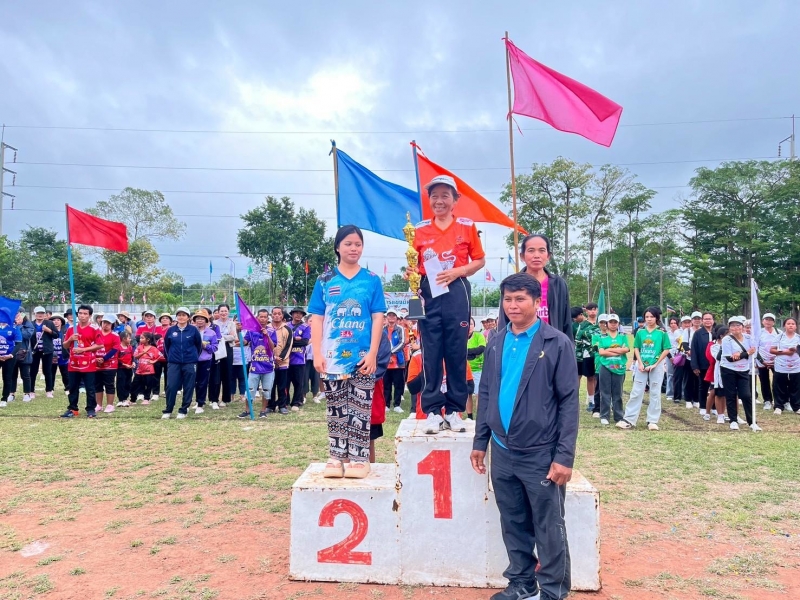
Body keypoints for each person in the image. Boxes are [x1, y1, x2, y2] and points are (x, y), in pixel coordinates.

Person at [471, 273, 578, 600]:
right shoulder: (496, 341)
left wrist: (564, 457)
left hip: (540, 453)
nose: (513, 305)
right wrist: (480, 441)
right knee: (513, 521)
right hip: (502, 450)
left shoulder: (556, 343)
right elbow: (486, 392)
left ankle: (553, 591)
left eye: (520, 299)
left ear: (536, 302)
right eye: (508, 299)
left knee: (548, 525)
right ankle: (521, 582)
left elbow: (569, 402)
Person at [309, 225, 386, 479]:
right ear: (337, 247)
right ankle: (337, 456)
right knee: (336, 409)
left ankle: (359, 458)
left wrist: (373, 352)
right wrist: (317, 353)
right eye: (348, 244)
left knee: (360, 409)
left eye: (358, 244)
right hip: (332, 358)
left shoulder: (372, 280)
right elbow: (317, 318)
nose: (354, 249)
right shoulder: (325, 280)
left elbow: (378, 317)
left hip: (363, 358)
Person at [412, 175, 486, 435]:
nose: (439, 200)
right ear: (429, 200)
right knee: (430, 351)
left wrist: (458, 272)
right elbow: (414, 263)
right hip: (428, 290)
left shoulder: (467, 226)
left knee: (456, 351)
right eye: (434, 196)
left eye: (445, 195)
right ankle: (432, 411)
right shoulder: (419, 229)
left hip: (457, 289)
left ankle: (454, 411)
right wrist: (411, 273)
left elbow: (480, 260)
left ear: (455, 200)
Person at [617, 307, 671, 431]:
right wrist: (640, 363)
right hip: (641, 366)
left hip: (656, 366)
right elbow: (636, 347)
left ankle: (652, 420)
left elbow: (666, 349)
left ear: (656, 318)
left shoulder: (662, 332)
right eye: (647, 317)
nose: (649, 319)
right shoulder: (640, 332)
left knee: (655, 393)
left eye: (651, 317)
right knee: (636, 392)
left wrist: (656, 364)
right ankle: (629, 419)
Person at [61, 304, 104, 418]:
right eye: (80, 313)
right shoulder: (71, 329)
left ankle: (91, 409)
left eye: (85, 314)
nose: (82, 316)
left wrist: (83, 349)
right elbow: (65, 345)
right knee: (73, 387)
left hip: (88, 363)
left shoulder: (94, 329)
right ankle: (72, 409)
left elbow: (100, 344)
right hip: (73, 363)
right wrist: (70, 339)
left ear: (89, 315)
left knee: (90, 387)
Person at [162, 307, 202, 419]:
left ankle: (183, 410)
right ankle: (168, 410)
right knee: (171, 386)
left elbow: (198, 346)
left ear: (188, 317)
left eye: (184, 315)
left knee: (188, 386)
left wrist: (193, 358)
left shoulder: (193, 330)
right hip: (174, 363)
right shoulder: (171, 330)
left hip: (190, 363)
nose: (181, 317)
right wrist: (171, 358)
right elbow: (166, 346)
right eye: (179, 315)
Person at [721, 316, 759, 431]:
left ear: (742, 327)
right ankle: (733, 420)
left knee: (746, 395)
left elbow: (753, 351)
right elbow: (730, 358)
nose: (735, 327)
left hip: (743, 370)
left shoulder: (748, 338)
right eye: (732, 325)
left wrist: (740, 354)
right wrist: (746, 353)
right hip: (728, 370)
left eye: (738, 325)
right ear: (729, 328)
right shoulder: (726, 340)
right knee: (731, 395)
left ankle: (752, 422)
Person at [242, 308, 277, 419]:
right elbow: (244, 342)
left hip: (268, 367)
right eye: (261, 316)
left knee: (266, 390)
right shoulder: (251, 331)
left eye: (265, 317)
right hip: (255, 367)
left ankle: (263, 411)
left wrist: (267, 336)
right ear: (257, 318)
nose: (262, 319)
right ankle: (247, 410)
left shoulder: (272, 331)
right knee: (250, 389)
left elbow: (273, 347)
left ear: (268, 318)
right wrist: (238, 332)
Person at [597, 314, 629, 426]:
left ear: (618, 324)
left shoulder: (622, 336)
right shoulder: (602, 337)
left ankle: (618, 416)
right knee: (605, 392)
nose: (613, 324)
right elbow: (601, 352)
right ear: (607, 324)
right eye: (611, 322)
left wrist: (609, 350)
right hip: (605, 366)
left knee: (618, 393)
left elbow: (626, 349)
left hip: (619, 367)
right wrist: (617, 350)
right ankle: (604, 415)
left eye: (615, 322)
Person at [191, 309, 218, 414]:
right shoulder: (192, 331)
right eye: (197, 318)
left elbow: (214, 348)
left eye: (202, 319)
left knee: (203, 382)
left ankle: (200, 404)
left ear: (206, 320)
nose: (200, 321)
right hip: (192, 360)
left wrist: (205, 346)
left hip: (205, 360)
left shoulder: (211, 333)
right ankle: (196, 401)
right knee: (194, 382)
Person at [771, 317, 800, 415]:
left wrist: (795, 350)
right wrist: (786, 352)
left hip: (796, 366)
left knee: (795, 387)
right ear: (784, 326)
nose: (791, 325)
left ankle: (796, 407)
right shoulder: (779, 337)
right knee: (779, 386)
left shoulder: (798, 338)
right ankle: (778, 406)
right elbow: (772, 350)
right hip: (781, 365)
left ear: (796, 326)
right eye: (788, 323)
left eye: (793, 324)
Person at [575, 303, 599, 414]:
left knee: (599, 378)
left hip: (601, 354)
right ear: (586, 311)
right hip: (588, 354)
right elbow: (578, 341)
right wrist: (578, 357)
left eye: (594, 309)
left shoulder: (602, 323)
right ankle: (591, 401)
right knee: (590, 377)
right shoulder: (583, 325)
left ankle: (602, 400)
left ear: (597, 310)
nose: (592, 311)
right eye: (590, 310)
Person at [95, 314, 122, 413]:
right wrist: (95, 358)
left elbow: (115, 349)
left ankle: (110, 405)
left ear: (112, 325)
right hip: (96, 363)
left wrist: (104, 358)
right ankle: (98, 405)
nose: (105, 325)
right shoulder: (96, 333)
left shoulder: (115, 335)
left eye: (108, 323)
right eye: (104, 322)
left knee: (109, 384)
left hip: (110, 364)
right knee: (97, 384)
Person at [268, 306, 293, 414]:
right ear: (271, 315)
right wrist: (272, 358)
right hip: (269, 362)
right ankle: (270, 405)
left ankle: (282, 405)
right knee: (270, 385)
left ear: (282, 315)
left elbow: (289, 345)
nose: (277, 315)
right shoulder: (267, 328)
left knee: (282, 385)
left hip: (283, 362)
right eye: (275, 313)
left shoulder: (287, 328)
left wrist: (281, 358)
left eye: (279, 313)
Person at [30, 306, 57, 399]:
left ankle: (49, 390)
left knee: (47, 371)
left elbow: (56, 335)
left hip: (47, 350)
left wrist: (49, 330)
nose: (40, 315)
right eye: (38, 313)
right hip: (35, 351)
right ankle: (31, 391)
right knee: (33, 371)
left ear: (45, 314)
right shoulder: (31, 324)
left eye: (42, 313)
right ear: (34, 314)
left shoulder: (49, 323)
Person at [212, 303, 236, 407]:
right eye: (221, 311)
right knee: (216, 374)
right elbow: (212, 336)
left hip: (228, 349)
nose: (223, 313)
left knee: (227, 374)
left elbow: (233, 337)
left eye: (225, 311)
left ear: (228, 312)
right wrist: (226, 336)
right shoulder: (214, 323)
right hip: (216, 349)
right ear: (218, 312)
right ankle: (214, 398)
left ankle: (225, 399)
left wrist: (220, 337)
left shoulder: (232, 323)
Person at [383, 309, 407, 413]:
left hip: (398, 361)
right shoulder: (382, 329)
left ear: (396, 318)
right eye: (389, 315)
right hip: (385, 361)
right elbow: (380, 343)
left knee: (398, 384)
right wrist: (386, 355)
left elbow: (402, 343)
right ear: (386, 317)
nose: (391, 317)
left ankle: (397, 404)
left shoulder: (400, 329)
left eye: (393, 315)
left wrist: (391, 352)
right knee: (386, 384)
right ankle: (386, 404)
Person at [287, 307, 311, 410]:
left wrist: (290, 342)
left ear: (302, 315)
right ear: (292, 314)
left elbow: (304, 342)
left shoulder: (305, 326)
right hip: (286, 359)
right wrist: (294, 339)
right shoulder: (286, 326)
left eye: (300, 313)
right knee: (285, 383)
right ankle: (285, 401)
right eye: (296, 313)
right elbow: (283, 341)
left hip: (299, 360)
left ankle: (296, 402)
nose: (298, 315)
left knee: (298, 383)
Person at [756, 312, 780, 411]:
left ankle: (780, 401)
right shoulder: (758, 333)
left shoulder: (778, 332)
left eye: (770, 320)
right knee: (764, 381)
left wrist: (776, 359)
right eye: (766, 319)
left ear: (774, 322)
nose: (768, 322)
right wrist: (762, 361)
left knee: (778, 381)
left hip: (776, 361)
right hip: (762, 361)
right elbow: (755, 348)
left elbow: (781, 347)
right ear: (762, 321)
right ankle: (767, 400)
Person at [704, 326, 727, 424]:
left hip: (725, 370)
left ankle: (722, 413)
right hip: (715, 370)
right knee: (713, 392)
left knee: (723, 393)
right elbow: (711, 357)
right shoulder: (712, 344)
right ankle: (707, 412)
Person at [0, 305, 22, 407]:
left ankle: (4, 398)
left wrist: (11, 355)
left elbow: (18, 344)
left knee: (7, 377)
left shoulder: (14, 328)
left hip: (9, 357)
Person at [131, 332, 161, 406]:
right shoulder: (139, 347)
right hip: (139, 370)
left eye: (142, 338)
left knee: (148, 385)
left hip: (149, 371)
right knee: (134, 385)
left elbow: (160, 356)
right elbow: (136, 356)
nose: (140, 339)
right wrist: (142, 353)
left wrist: (153, 361)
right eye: (140, 338)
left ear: (148, 339)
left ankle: (146, 399)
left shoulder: (153, 348)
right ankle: (132, 399)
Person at [466, 317, 486, 421]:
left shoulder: (479, 336)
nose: (469, 326)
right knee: (467, 394)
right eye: (467, 324)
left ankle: (479, 417)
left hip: (478, 369)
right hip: (465, 371)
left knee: (479, 394)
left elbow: (481, 349)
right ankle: (469, 417)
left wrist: (466, 352)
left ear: (474, 326)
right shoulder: (460, 337)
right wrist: (471, 353)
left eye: (471, 324)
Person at [12, 312, 35, 402]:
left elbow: (26, 336)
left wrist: (19, 325)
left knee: (25, 375)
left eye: (19, 315)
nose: (16, 317)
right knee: (12, 375)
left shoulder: (28, 325)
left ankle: (27, 394)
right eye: (15, 315)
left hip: (24, 354)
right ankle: (11, 393)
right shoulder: (10, 324)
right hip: (12, 353)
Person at [683, 311, 703, 408]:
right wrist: (689, 351)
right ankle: (688, 399)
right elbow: (684, 344)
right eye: (695, 319)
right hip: (690, 359)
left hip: (701, 359)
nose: (697, 321)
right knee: (689, 380)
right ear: (692, 320)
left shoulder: (703, 331)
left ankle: (696, 399)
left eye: (699, 319)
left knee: (699, 380)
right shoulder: (688, 331)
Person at [50, 313, 69, 392]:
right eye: (54, 320)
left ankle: (68, 388)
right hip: (52, 356)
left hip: (63, 356)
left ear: (61, 322)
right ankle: (50, 389)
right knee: (51, 373)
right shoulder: (49, 331)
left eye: (58, 320)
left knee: (65, 374)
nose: (56, 322)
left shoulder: (66, 331)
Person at [665, 316, 681, 402]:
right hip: (669, 355)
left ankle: (681, 393)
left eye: (675, 323)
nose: (673, 325)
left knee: (680, 376)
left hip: (680, 356)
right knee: (670, 375)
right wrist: (670, 357)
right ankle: (670, 394)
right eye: (671, 323)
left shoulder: (681, 333)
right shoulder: (667, 334)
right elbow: (666, 347)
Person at [116, 330, 134, 407]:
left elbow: (132, 357)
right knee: (121, 384)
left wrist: (133, 363)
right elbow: (116, 359)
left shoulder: (130, 347)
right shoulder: (118, 347)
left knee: (128, 383)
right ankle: (120, 399)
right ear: (123, 339)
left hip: (129, 369)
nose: (130, 339)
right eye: (129, 338)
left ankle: (125, 399)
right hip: (121, 368)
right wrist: (124, 364)